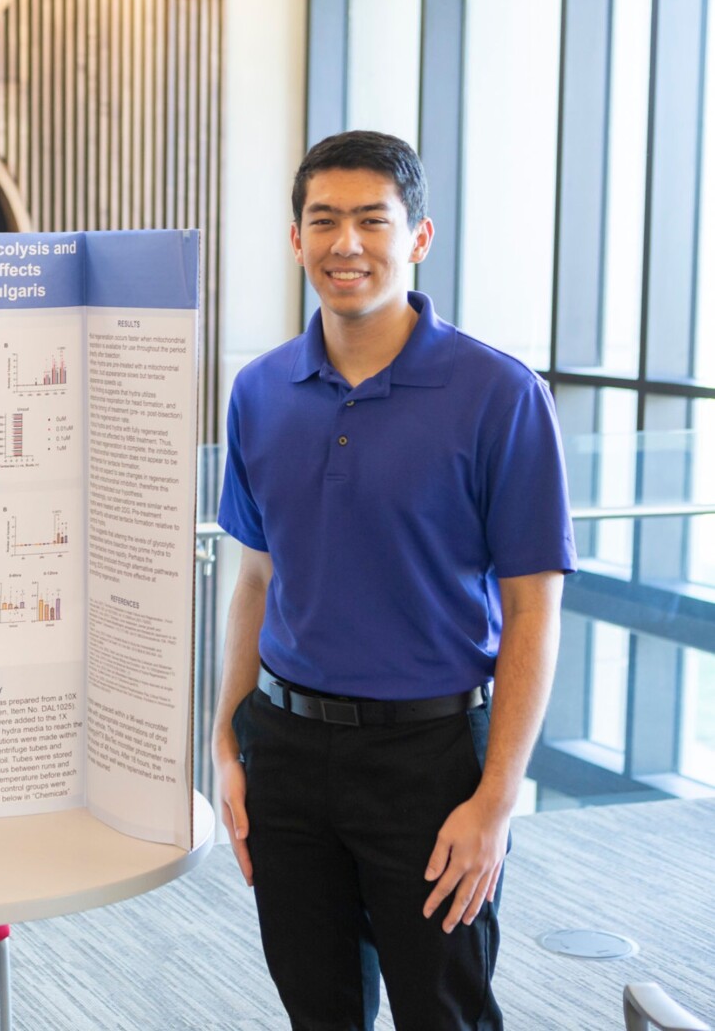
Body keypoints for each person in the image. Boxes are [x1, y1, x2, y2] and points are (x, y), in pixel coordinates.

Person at [212, 131, 574, 1031]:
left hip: (431, 763)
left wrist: (496, 802)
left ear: (418, 238)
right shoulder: (259, 391)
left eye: (373, 220)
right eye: (323, 221)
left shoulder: (499, 394)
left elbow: (534, 610)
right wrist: (225, 740)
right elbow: (254, 578)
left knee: (442, 1014)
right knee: (317, 1010)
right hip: (287, 755)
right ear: (295, 240)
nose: (347, 245)